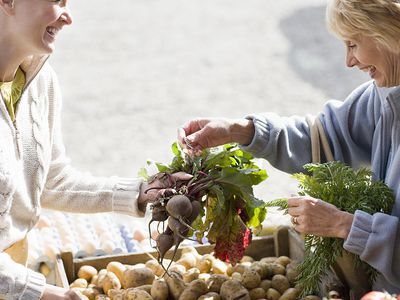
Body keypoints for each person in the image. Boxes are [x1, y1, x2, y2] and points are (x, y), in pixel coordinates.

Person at [178, 0, 400, 293]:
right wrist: (241, 131)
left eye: (352, 44)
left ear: (387, 34)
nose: (348, 61)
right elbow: (325, 136)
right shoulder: (384, 95)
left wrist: (343, 225)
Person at [0, 0, 190, 299]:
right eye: (56, 1)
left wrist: (138, 192)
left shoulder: (41, 81)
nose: (68, 18)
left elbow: (52, 180)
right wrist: (49, 293)